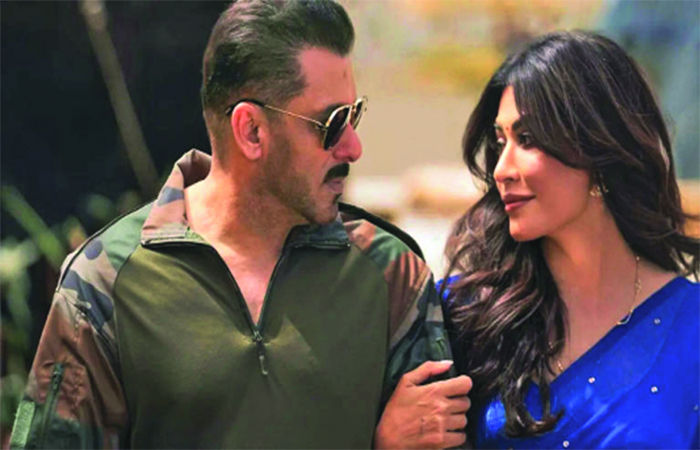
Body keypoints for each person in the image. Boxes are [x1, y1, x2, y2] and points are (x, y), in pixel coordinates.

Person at [9, 1, 471, 448]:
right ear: (251, 131)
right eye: (331, 124)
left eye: (354, 115)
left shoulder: (390, 274)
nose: (353, 147)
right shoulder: (105, 280)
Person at [442, 30, 699, 448]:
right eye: (501, 141)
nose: (502, 169)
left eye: (527, 139)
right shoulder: (466, 315)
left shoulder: (691, 326)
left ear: (597, 148)